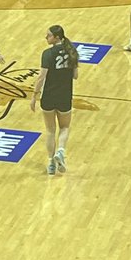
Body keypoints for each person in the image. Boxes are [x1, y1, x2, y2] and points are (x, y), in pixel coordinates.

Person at [32, 25, 80, 176]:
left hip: (49, 96)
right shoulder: (72, 51)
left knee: (50, 130)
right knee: (65, 127)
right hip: (65, 95)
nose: (46, 38)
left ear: (57, 38)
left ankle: (51, 163)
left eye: (48, 36)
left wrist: (34, 95)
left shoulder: (48, 54)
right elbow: (75, 75)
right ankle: (61, 150)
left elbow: (41, 77)